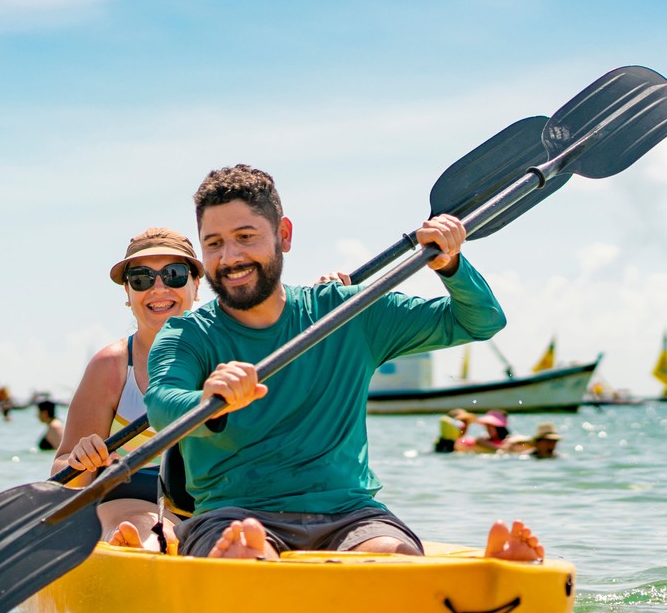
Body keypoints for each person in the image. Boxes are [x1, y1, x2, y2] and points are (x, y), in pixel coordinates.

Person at [146, 164, 543, 563]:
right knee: (246, 554)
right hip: (232, 515)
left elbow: (480, 321)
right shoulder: (187, 334)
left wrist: (452, 265)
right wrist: (207, 402)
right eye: (213, 243)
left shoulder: (346, 311)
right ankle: (249, 562)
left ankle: (484, 584)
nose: (229, 257)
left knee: (393, 553)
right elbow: (162, 404)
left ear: (283, 235)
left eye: (245, 237)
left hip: (350, 515)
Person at [53, 228, 204, 550]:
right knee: (143, 528)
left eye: (173, 274)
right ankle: (142, 549)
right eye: (141, 278)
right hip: (133, 499)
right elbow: (63, 475)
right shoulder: (111, 366)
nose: (158, 287)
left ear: (196, 283)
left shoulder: (235, 353)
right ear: (128, 291)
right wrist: (81, 463)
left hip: (214, 500)